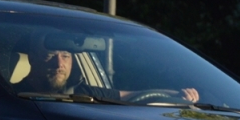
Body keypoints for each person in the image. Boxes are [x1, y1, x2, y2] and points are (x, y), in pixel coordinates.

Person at [16, 35, 198, 102]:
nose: (59, 64)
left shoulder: (83, 93)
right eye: (50, 55)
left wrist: (178, 94)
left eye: (66, 56)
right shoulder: (12, 97)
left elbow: (131, 96)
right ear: (32, 57)